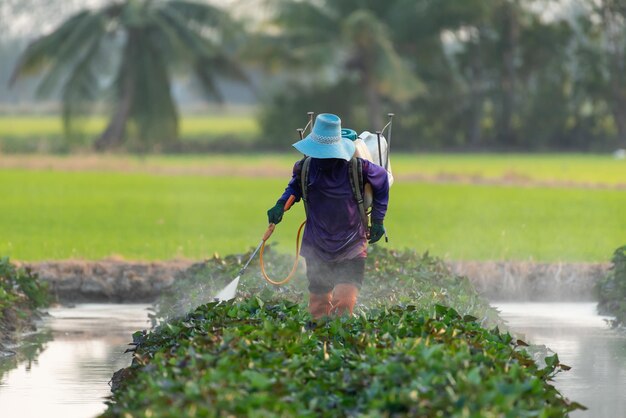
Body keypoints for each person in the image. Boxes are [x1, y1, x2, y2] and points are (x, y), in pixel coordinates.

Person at [267, 113, 390, 318]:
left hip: (351, 244)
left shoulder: (358, 168)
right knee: (318, 305)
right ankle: (320, 344)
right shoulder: (305, 168)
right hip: (317, 245)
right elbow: (293, 189)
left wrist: (378, 220)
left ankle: (340, 343)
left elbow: (383, 181)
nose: (322, 157)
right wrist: (281, 205)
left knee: (344, 302)